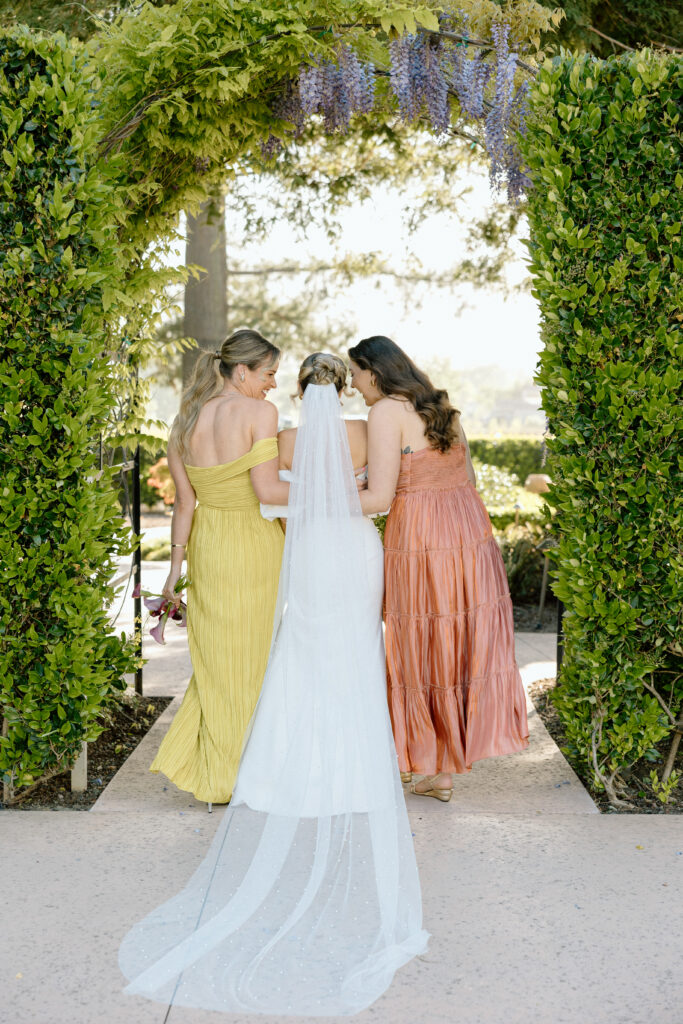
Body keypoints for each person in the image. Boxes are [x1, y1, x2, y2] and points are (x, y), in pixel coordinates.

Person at [119, 353, 428, 1016]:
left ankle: (289, 763)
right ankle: (354, 766)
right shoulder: (362, 429)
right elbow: (383, 495)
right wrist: (348, 488)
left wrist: (307, 498)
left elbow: (267, 497)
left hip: (309, 549)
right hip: (355, 547)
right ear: (344, 387)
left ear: (298, 388)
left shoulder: (284, 437)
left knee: (303, 652)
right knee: (355, 650)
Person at [349, 335, 528, 802]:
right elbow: (467, 477)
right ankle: (440, 770)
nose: (352, 385)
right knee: (453, 641)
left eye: (355, 374)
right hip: (467, 531)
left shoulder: (385, 412)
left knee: (420, 642)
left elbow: (379, 498)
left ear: (374, 371)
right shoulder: (441, 405)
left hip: (421, 536)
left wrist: (320, 498)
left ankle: (428, 762)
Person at [149, 328, 289, 808]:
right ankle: (247, 769)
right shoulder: (260, 414)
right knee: (257, 655)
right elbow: (268, 491)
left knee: (218, 658)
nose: (273, 384)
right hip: (254, 541)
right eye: (269, 373)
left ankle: (220, 769)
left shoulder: (186, 420)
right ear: (242, 370)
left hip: (208, 545)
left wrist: (175, 569)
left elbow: (184, 504)